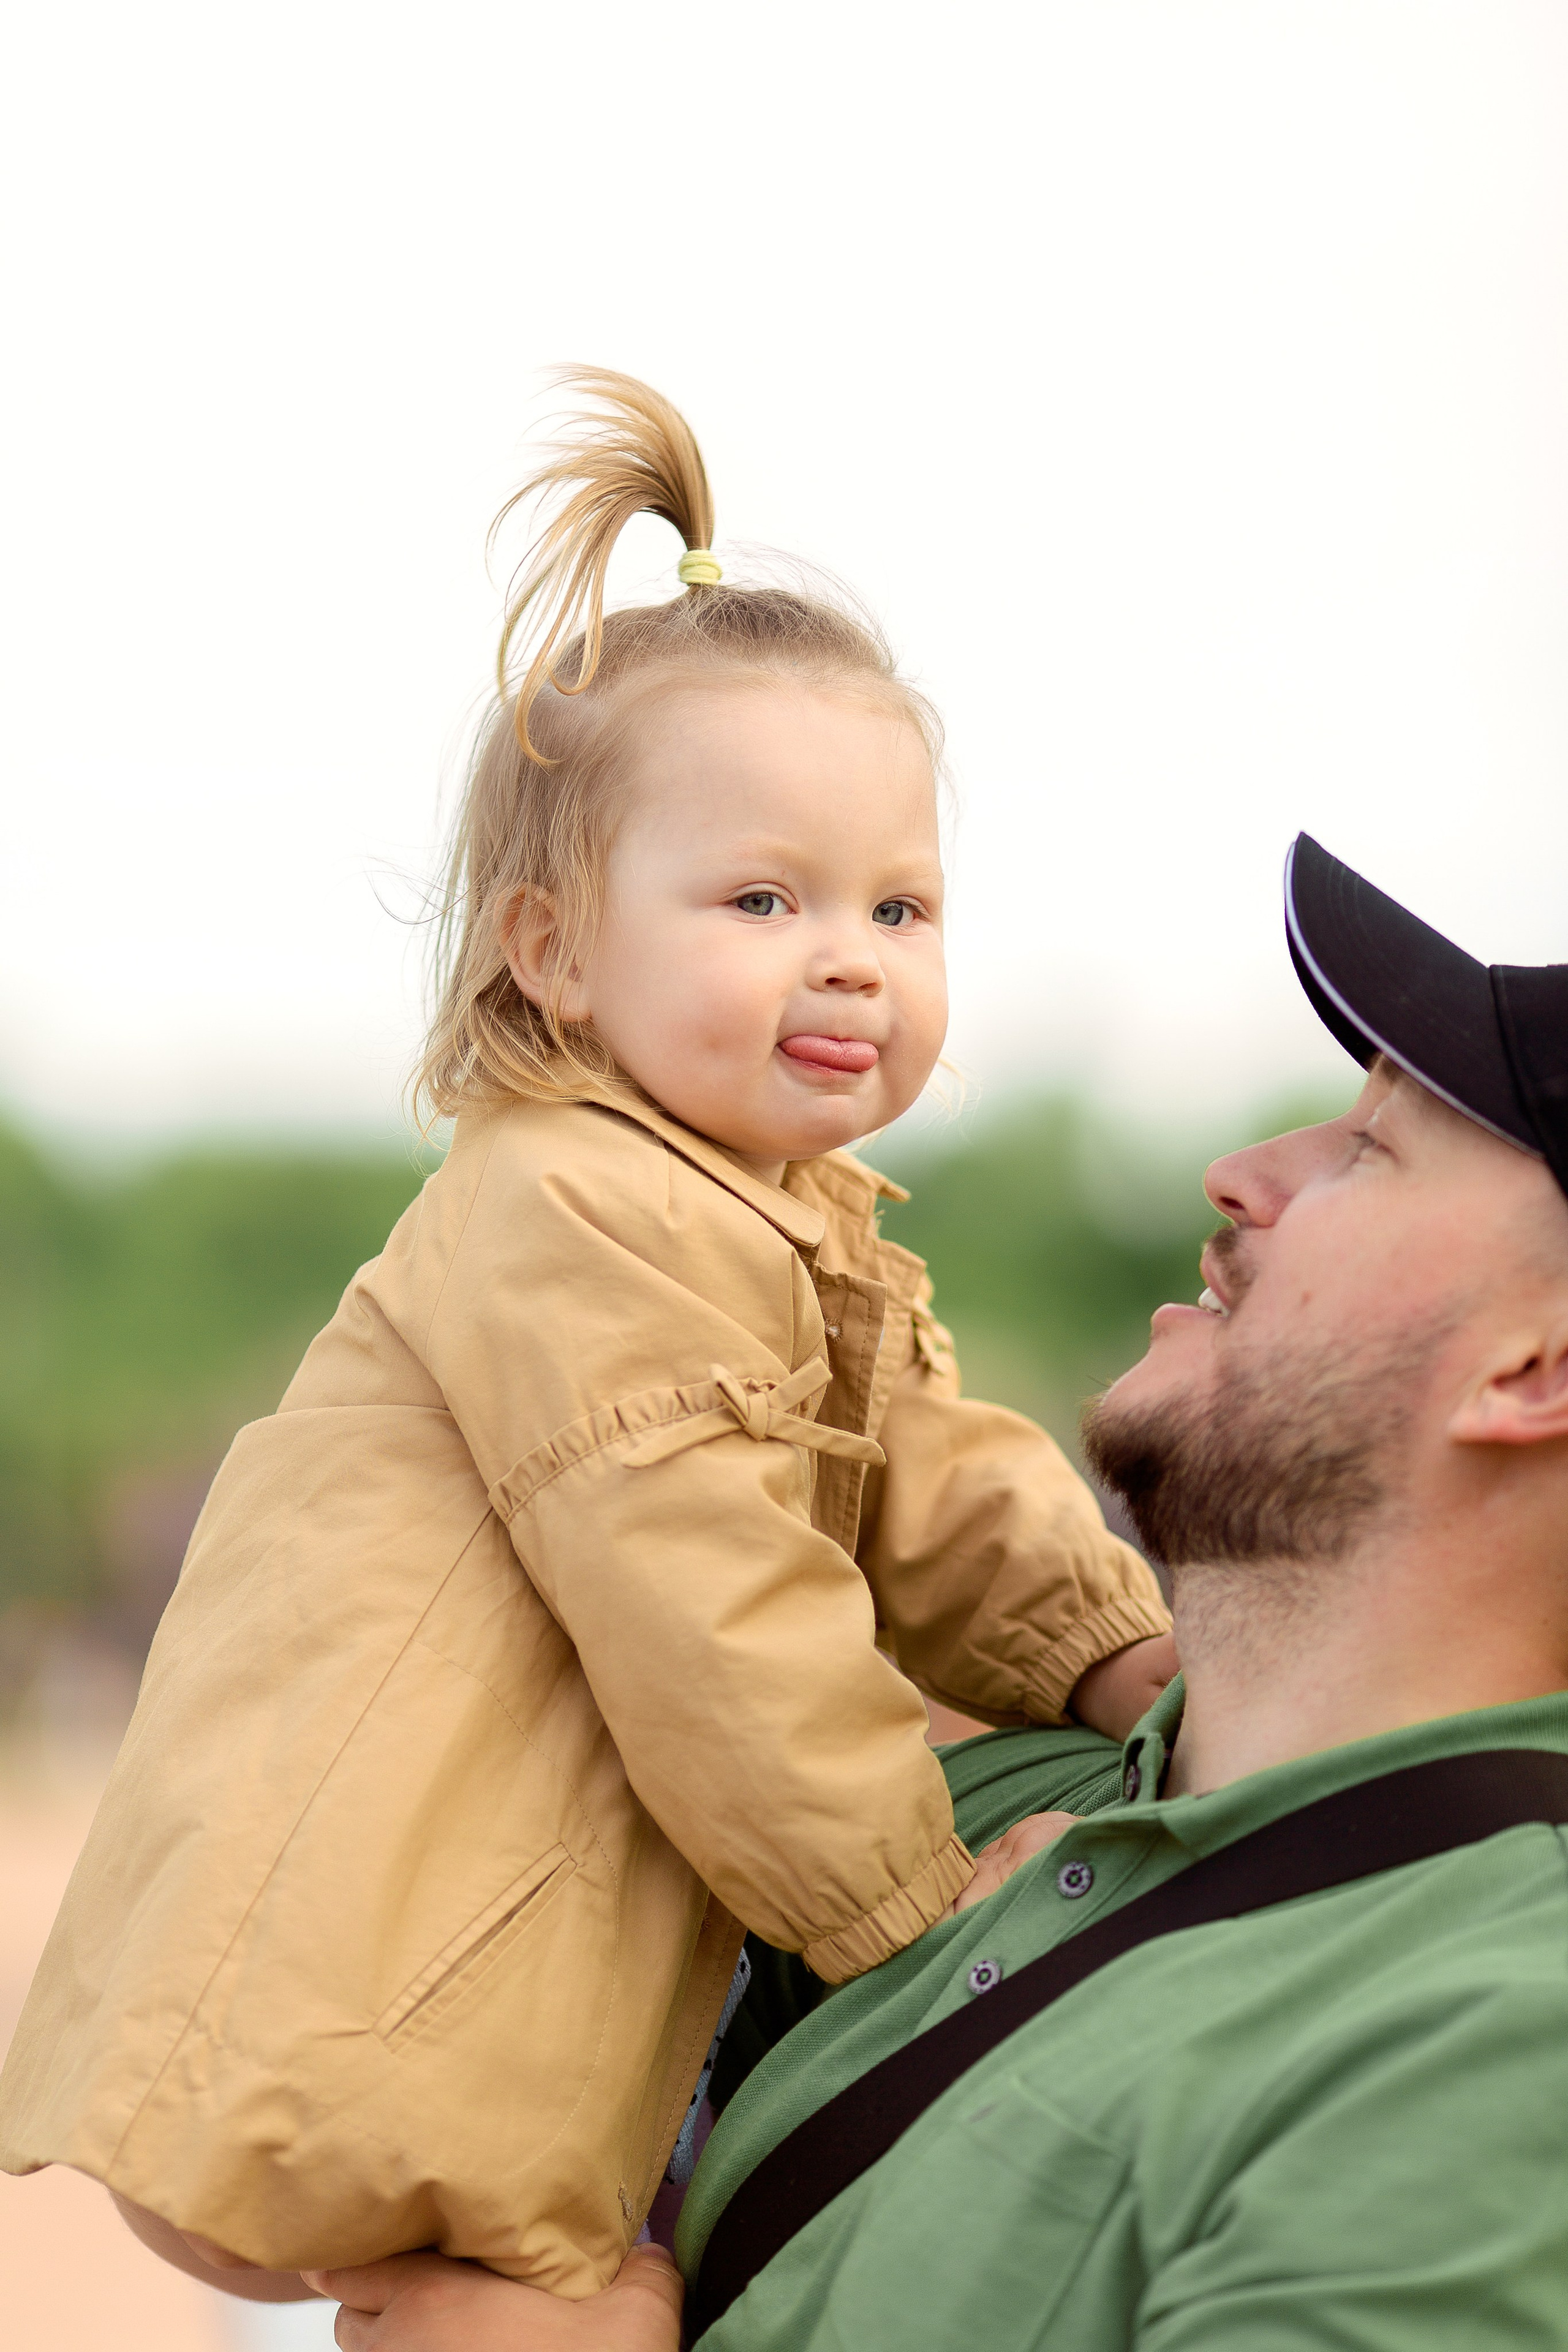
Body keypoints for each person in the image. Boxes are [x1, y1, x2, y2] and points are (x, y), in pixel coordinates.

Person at [0, 372, 1171, 2299]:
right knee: (576, 2314)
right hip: (371, 2002)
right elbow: (706, 1585)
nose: (852, 955)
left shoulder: (789, 1234)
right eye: (762, 897)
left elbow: (939, 1484)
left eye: (902, 901)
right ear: (552, 949)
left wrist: (1125, 1658)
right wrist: (904, 1906)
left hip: (466, 1993)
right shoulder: (573, 1210)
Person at [308, 834, 1568, 2347]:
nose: (1243, 1174)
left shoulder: (1497, 2042)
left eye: (1370, 1148)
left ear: (1533, 1368)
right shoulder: (998, 1796)